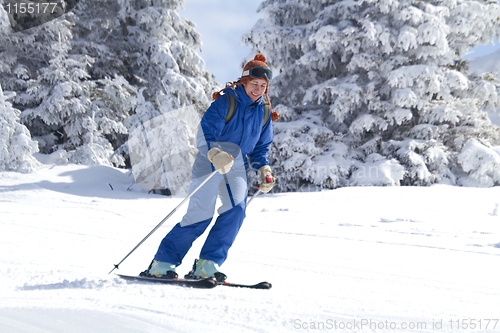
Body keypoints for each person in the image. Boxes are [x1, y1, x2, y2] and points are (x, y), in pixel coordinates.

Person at [144, 54, 279, 282]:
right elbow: (205, 132)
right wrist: (215, 152)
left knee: (236, 210)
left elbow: (260, 148)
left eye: (262, 86)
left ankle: (208, 264)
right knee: (200, 214)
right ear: (244, 81)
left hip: (236, 164)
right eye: (254, 84)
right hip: (210, 160)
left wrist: (263, 168)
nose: (257, 89)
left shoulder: (264, 112)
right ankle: (162, 263)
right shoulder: (226, 101)